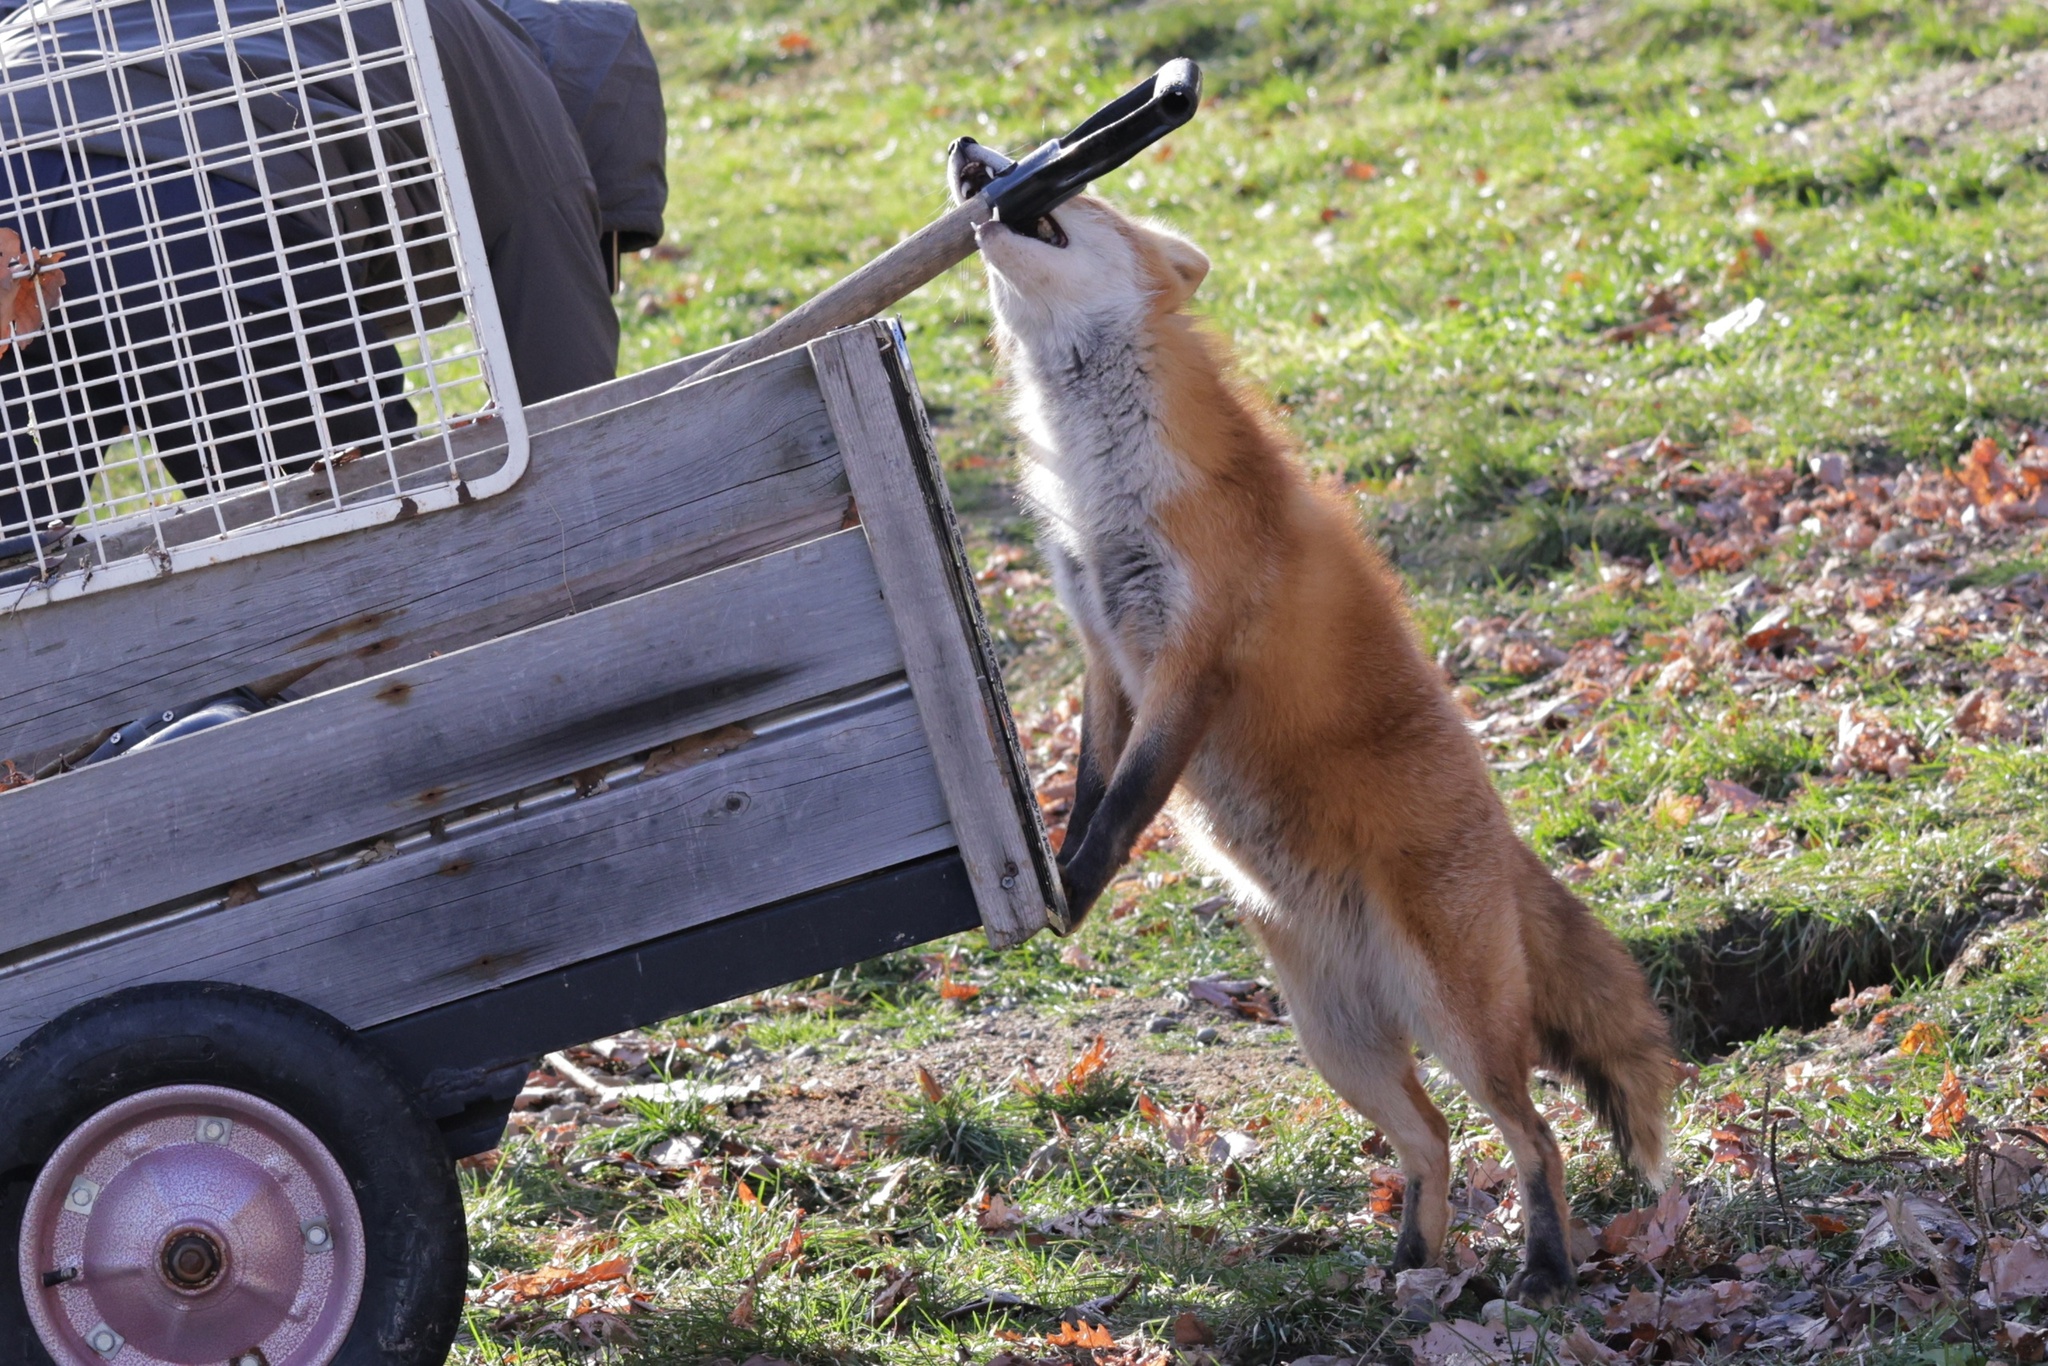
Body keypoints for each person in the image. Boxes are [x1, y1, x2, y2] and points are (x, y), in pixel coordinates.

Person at [0, 0, 662, 541]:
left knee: (13, 572)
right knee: (362, 551)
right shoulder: (519, 69)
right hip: (202, 223)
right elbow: (562, 366)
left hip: (13, 176)